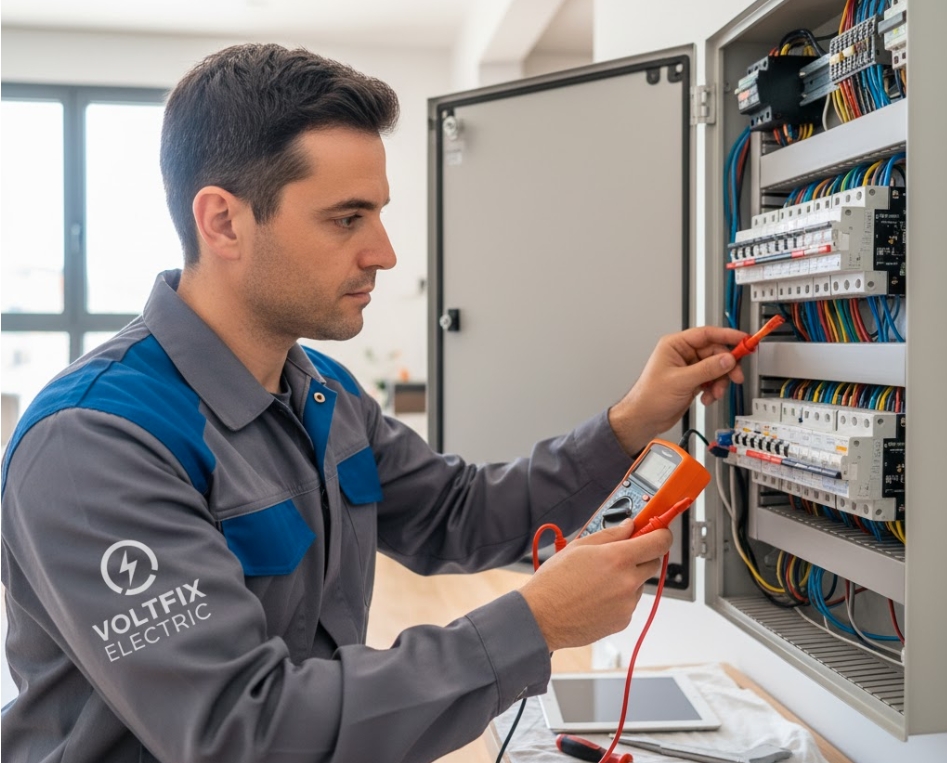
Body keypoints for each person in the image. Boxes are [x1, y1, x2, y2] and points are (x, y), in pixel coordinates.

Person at [0, 43, 745, 763]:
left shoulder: (320, 390)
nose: (384, 252)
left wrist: (631, 420)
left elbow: (461, 512)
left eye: (378, 214)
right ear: (223, 221)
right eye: (346, 217)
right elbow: (243, 730)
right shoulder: (93, 445)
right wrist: (536, 621)